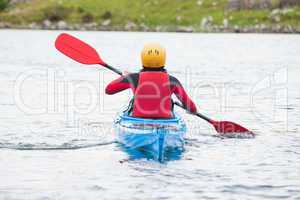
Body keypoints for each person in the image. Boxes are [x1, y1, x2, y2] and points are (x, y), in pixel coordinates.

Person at [105, 43, 197, 119]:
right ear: (163, 59)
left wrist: (126, 77)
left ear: (143, 58)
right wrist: (190, 110)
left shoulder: (133, 78)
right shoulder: (172, 80)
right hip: (165, 124)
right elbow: (192, 108)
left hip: (138, 123)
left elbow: (108, 90)